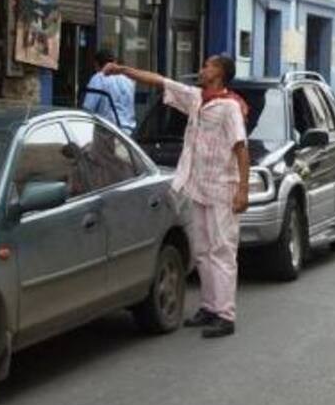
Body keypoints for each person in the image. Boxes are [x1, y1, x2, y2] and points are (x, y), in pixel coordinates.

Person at [104, 54, 249, 339]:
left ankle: (225, 315)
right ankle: (209, 307)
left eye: (207, 66)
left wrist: (243, 190)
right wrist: (122, 69)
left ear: (219, 74)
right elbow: (160, 81)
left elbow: (241, 149)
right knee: (203, 250)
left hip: (222, 189)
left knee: (222, 251)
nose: (202, 69)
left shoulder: (230, 107)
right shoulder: (196, 98)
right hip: (198, 187)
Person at [82, 49, 137, 134]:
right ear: (114, 62)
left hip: (108, 131)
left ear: (97, 64)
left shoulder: (98, 78)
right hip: (128, 133)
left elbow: (88, 108)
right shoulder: (128, 79)